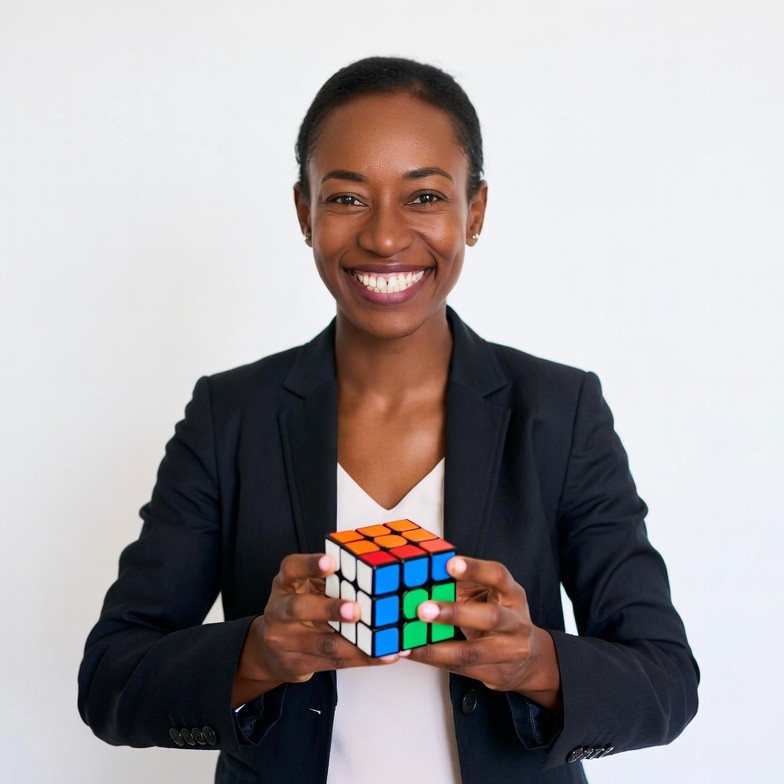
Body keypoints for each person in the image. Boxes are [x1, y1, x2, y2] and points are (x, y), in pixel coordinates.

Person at [78, 57, 698, 783]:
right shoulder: (231, 415)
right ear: (304, 212)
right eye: (346, 199)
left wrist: (535, 661)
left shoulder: (559, 413)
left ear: (475, 210)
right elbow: (112, 679)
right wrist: (258, 654)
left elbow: (665, 681)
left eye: (424, 195)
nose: (383, 237)